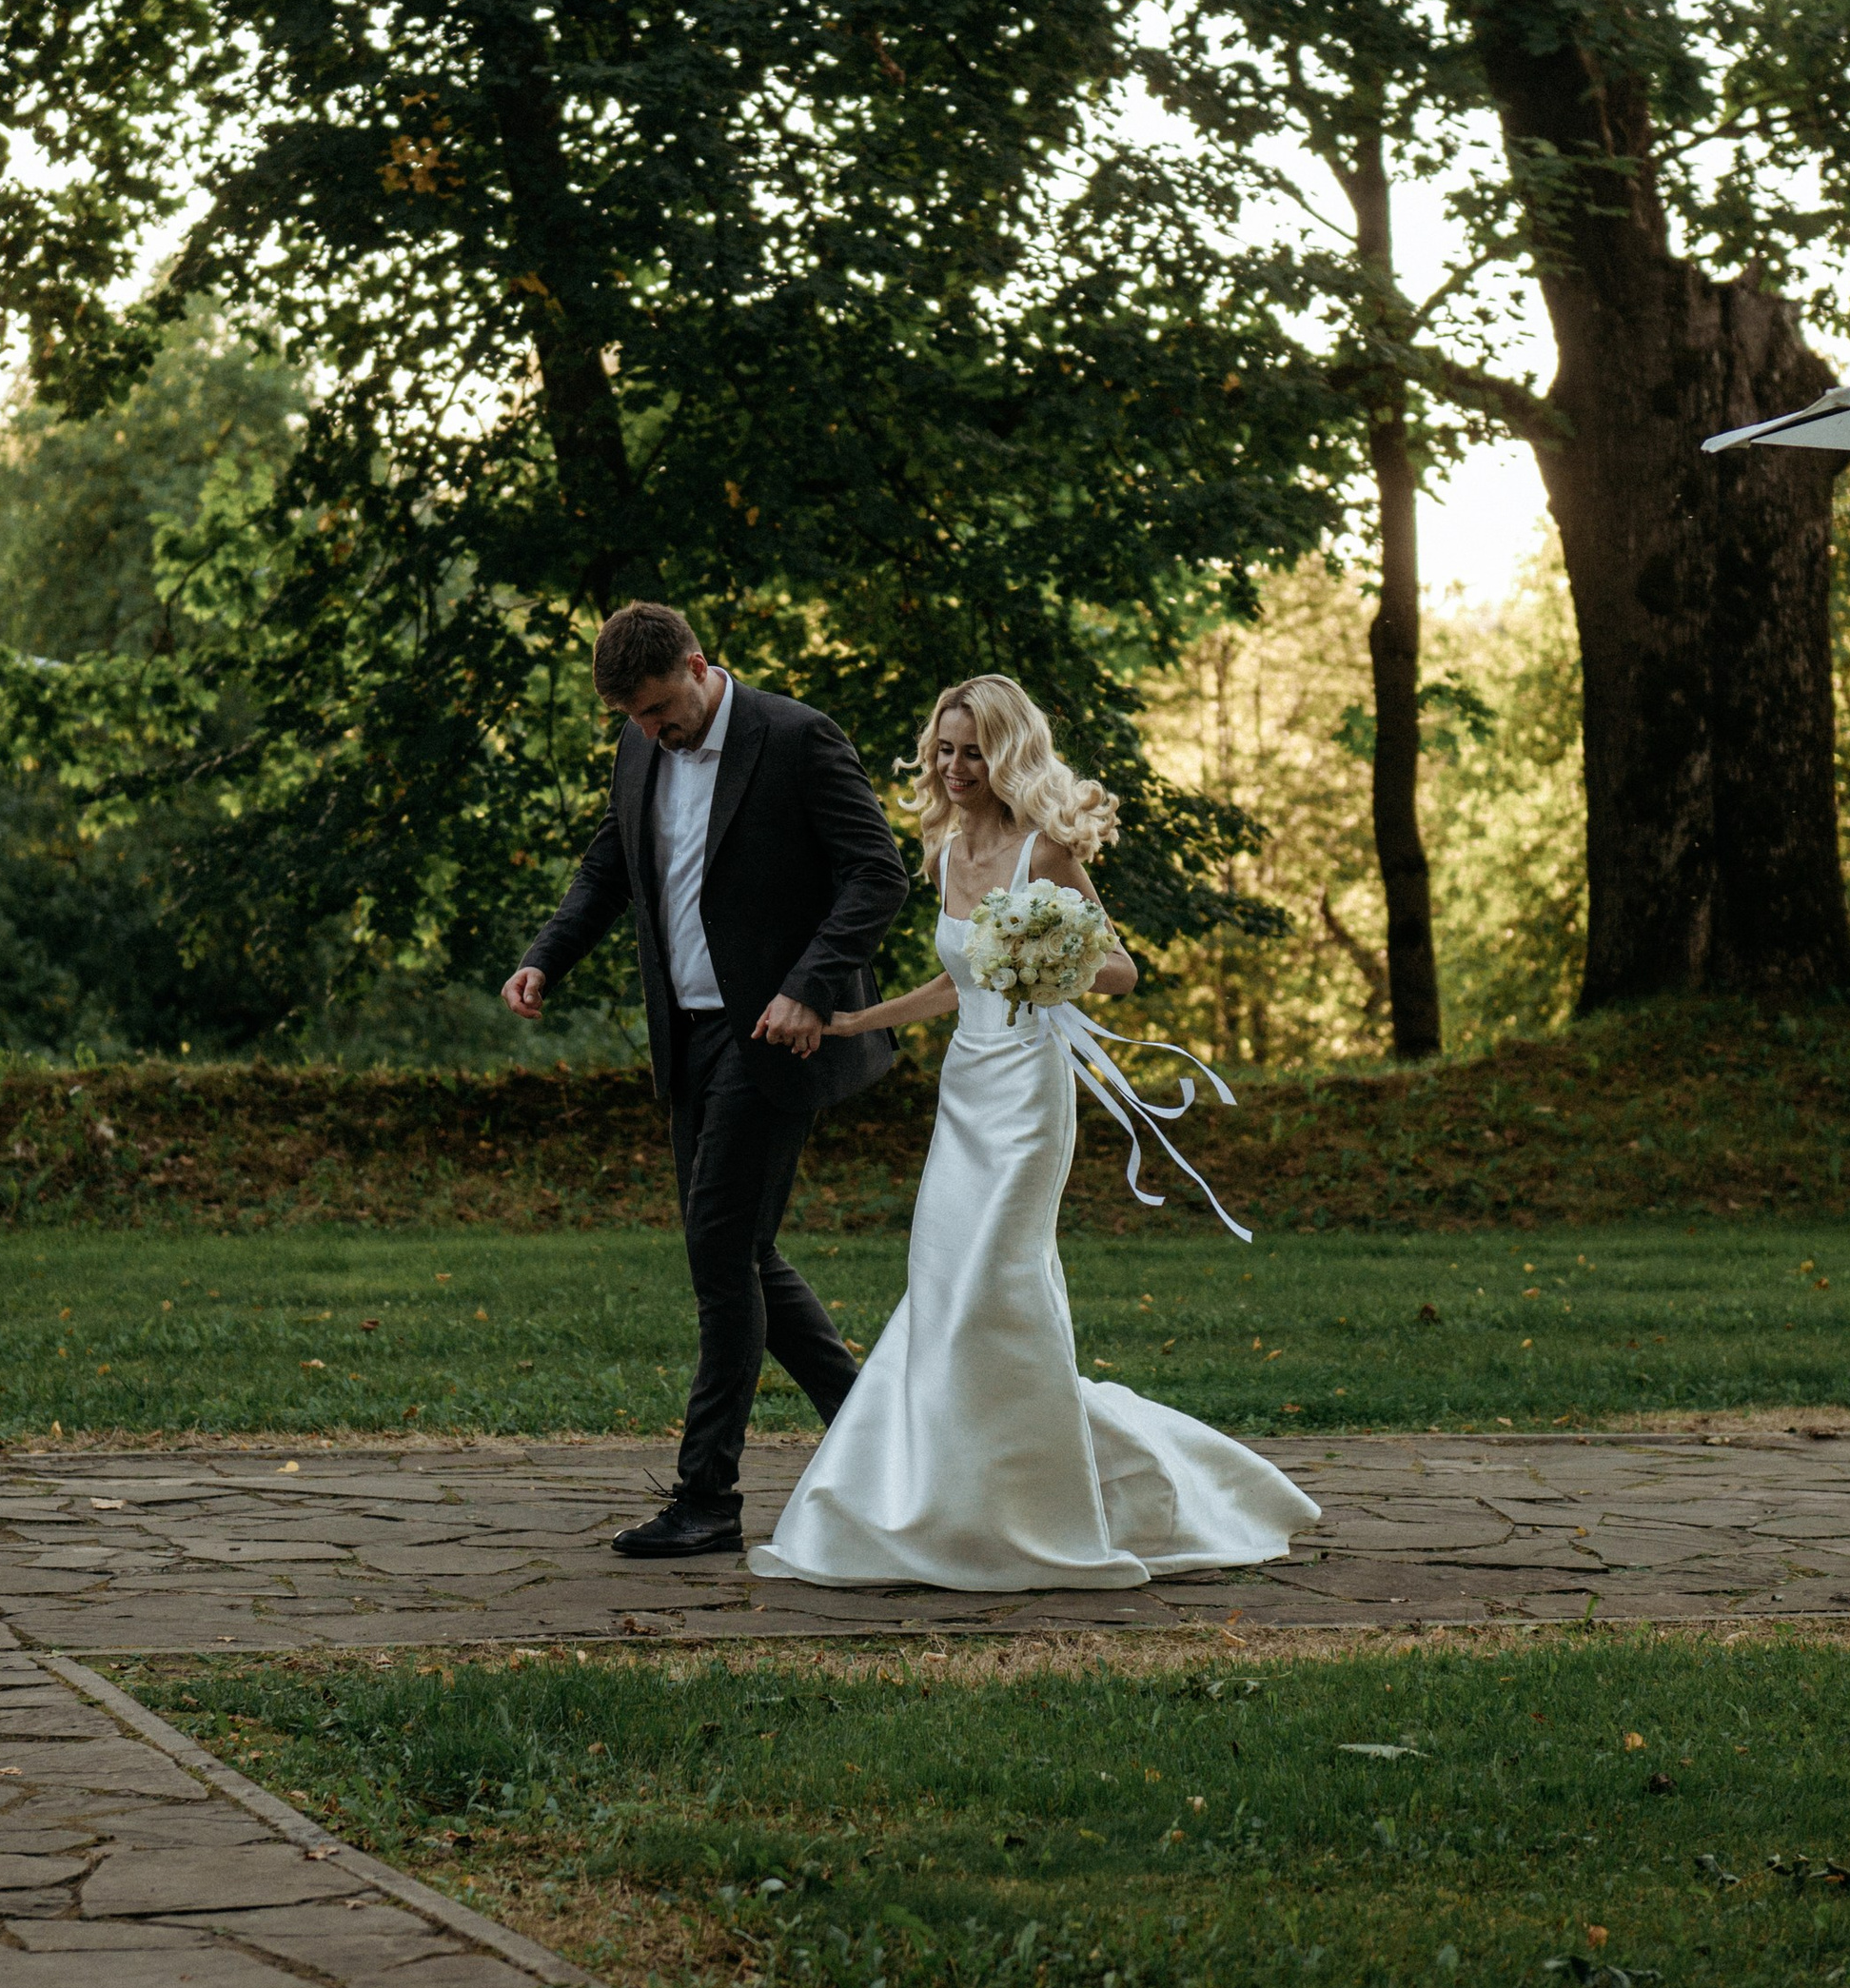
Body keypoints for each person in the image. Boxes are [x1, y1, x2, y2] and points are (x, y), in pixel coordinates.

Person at [750, 674, 1320, 1592]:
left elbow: (1123, 972)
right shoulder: (939, 855)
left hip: (1028, 1101)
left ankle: (1037, 1513)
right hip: (965, 1091)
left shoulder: (1044, 854)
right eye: (944, 749)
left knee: (992, 1289)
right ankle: (955, 1502)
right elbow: (956, 981)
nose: (955, 766)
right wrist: (857, 1021)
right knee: (943, 1294)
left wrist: (1043, 953)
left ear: (1007, 753)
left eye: (973, 750)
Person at [503, 601, 912, 1559]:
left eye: (657, 708)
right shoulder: (640, 746)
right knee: (738, 1245)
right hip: (682, 1030)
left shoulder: (796, 736)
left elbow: (876, 873)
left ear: (697, 665)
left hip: (772, 1031)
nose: (650, 730)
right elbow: (613, 863)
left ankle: (708, 1496)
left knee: (720, 1253)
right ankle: (874, 1431)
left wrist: (810, 989)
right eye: (632, 719)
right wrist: (546, 955)